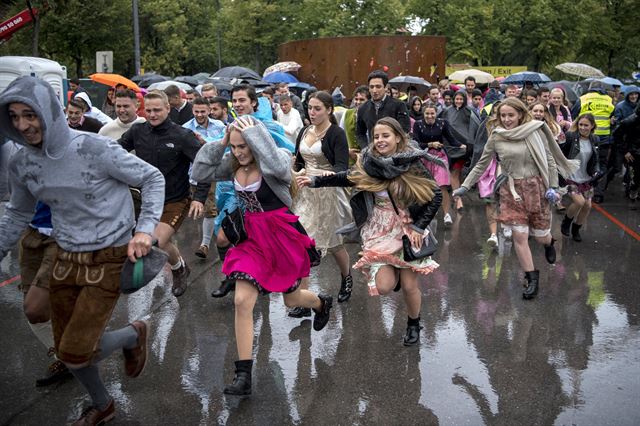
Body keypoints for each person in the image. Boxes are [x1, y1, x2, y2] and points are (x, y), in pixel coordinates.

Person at [0, 76, 165, 424]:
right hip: (64, 255)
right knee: (66, 348)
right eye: (13, 116)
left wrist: (144, 231)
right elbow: (18, 211)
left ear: (48, 112)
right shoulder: (20, 162)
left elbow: (152, 178)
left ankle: (132, 334)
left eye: (29, 114)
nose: (22, 125)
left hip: (109, 255)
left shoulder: (95, 148)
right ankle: (103, 404)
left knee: (74, 353)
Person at [192, 116, 333, 396]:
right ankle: (243, 375)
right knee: (242, 301)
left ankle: (320, 303)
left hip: (281, 237)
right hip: (251, 239)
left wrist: (255, 134)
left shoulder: (275, 158)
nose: (239, 152)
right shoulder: (231, 163)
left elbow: (280, 167)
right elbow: (200, 171)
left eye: (243, 146)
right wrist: (221, 143)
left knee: (292, 299)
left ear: (256, 141)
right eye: (235, 147)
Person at [297, 117, 441, 346]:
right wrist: (314, 181)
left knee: (409, 285)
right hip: (379, 229)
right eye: (376, 136)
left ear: (397, 138)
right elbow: (347, 177)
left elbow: (436, 196)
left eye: (386, 135)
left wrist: (418, 226)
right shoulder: (369, 162)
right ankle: (394, 272)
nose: (380, 140)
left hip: (408, 229)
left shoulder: (412, 163)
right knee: (383, 287)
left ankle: (413, 323)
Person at [454, 98, 579, 300]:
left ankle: (549, 243)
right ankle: (531, 278)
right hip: (511, 190)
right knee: (519, 236)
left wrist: (554, 186)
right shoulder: (496, 136)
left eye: (510, 115)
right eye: (503, 115)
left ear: (520, 114)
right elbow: (481, 164)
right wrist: (465, 186)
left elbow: (549, 160)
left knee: (539, 236)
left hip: (537, 188)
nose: (506, 119)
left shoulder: (535, 130)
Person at [120, 90, 210, 297]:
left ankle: (177, 271)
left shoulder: (182, 136)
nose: (152, 114)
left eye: (157, 110)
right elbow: (115, 151)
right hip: (147, 200)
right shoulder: (137, 131)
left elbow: (204, 165)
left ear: (168, 109)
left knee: (157, 242)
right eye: (148, 110)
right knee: (153, 241)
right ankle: (181, 266)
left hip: (175, 200)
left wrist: (199, 198)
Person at [209, 84, 295, 298]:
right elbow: (217, 163)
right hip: (233, 189)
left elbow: (283, 157)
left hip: (264, 196)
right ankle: (232, 276)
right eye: (234, 101)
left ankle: (252, 278)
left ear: (253, 103)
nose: (237, 105)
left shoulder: (269, 127)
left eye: (242, 100)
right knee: (222, 238)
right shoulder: (229, 127)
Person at [292, 91, 352, 314]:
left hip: (328, 192)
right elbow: (298, 161)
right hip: (305, 193)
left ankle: (346, 277)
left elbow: (342, 169)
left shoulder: (336, 133)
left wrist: (319, 177)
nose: (312, 112)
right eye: (309, 108)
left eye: (317, 108)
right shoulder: (304, 131)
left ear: (329, 110)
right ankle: (305, 299)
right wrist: (294, 171)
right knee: (302, 242)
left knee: (334, 244)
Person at [182, 97, 226, 259]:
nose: (199, 115)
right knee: (196, 211)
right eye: (196, 111)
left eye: (203, 111)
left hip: (215, 174)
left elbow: (224, 146)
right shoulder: (186, 129)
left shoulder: (220, 127)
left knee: (210, 208)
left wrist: (204, 141)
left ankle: (205, 244)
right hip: (194, 175)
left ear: (209, 110)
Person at [413, 102, 462, 227]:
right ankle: (428, 213)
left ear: (436, 113)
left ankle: (446, 214)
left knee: (442, 187)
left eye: (432, 113)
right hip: (424, 158)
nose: (430, 116)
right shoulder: (418, 124)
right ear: (423, 114)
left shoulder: (443, 123)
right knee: (427, 187)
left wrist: (461, 145)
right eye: (427, 114)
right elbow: (416, 143)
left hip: (439, 158)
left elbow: (451, 138)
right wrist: (430, 144)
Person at [560, 114, 601, 242]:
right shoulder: (570, 136)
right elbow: (560, 153)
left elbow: (596, 159)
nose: (582, 128)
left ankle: (576, 229)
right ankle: (566, 222)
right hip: (571, 176)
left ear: (592, 126)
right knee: (579, 202)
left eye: (586, 125)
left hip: (586, 177)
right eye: (580, 124)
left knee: (587, 206)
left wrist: (597, 171)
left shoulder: (595, 139)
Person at [572, 81, 615, 203]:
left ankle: (583, 189)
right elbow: (613, 117)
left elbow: (574, 114)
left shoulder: (583, 98)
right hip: (605, 137)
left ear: (590, 88)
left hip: (588, 136)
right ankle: (599, 194)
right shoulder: (609, 99)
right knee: (602, 165)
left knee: (585, 162)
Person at [439, 90, 480, 211]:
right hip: (449, 147)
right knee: (455, 173)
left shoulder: (469, 111)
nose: (458, 101)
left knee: (456, 173)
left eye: (461, 99)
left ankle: (457, 197)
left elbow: (476, 126)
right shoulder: (446, 111)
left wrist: (470, 143)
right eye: (456, 99)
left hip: (464, 149)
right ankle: (458, 198)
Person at [356, 70, 410, 148]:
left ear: (386, 87)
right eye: (371, 87)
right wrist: (366, 149)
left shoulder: (399, 105)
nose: (374, 90)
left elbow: (404, 130)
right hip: (373, 153)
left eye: (378, 86)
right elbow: (360, 134)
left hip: (395, 151)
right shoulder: (363, 108)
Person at [613, 104, 640, 200]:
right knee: (636, 177)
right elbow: (617, 135)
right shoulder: (630, 120)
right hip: (634, 153)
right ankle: (633, 188)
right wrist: (625, 151)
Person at [339, 85, 369, 162]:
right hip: (349, 160)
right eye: (356, 99)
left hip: (368, 159)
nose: (358, 102)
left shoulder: (373, 116)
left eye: (362, 99)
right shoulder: (347, 113)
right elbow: (340, 136)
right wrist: (347, 150)